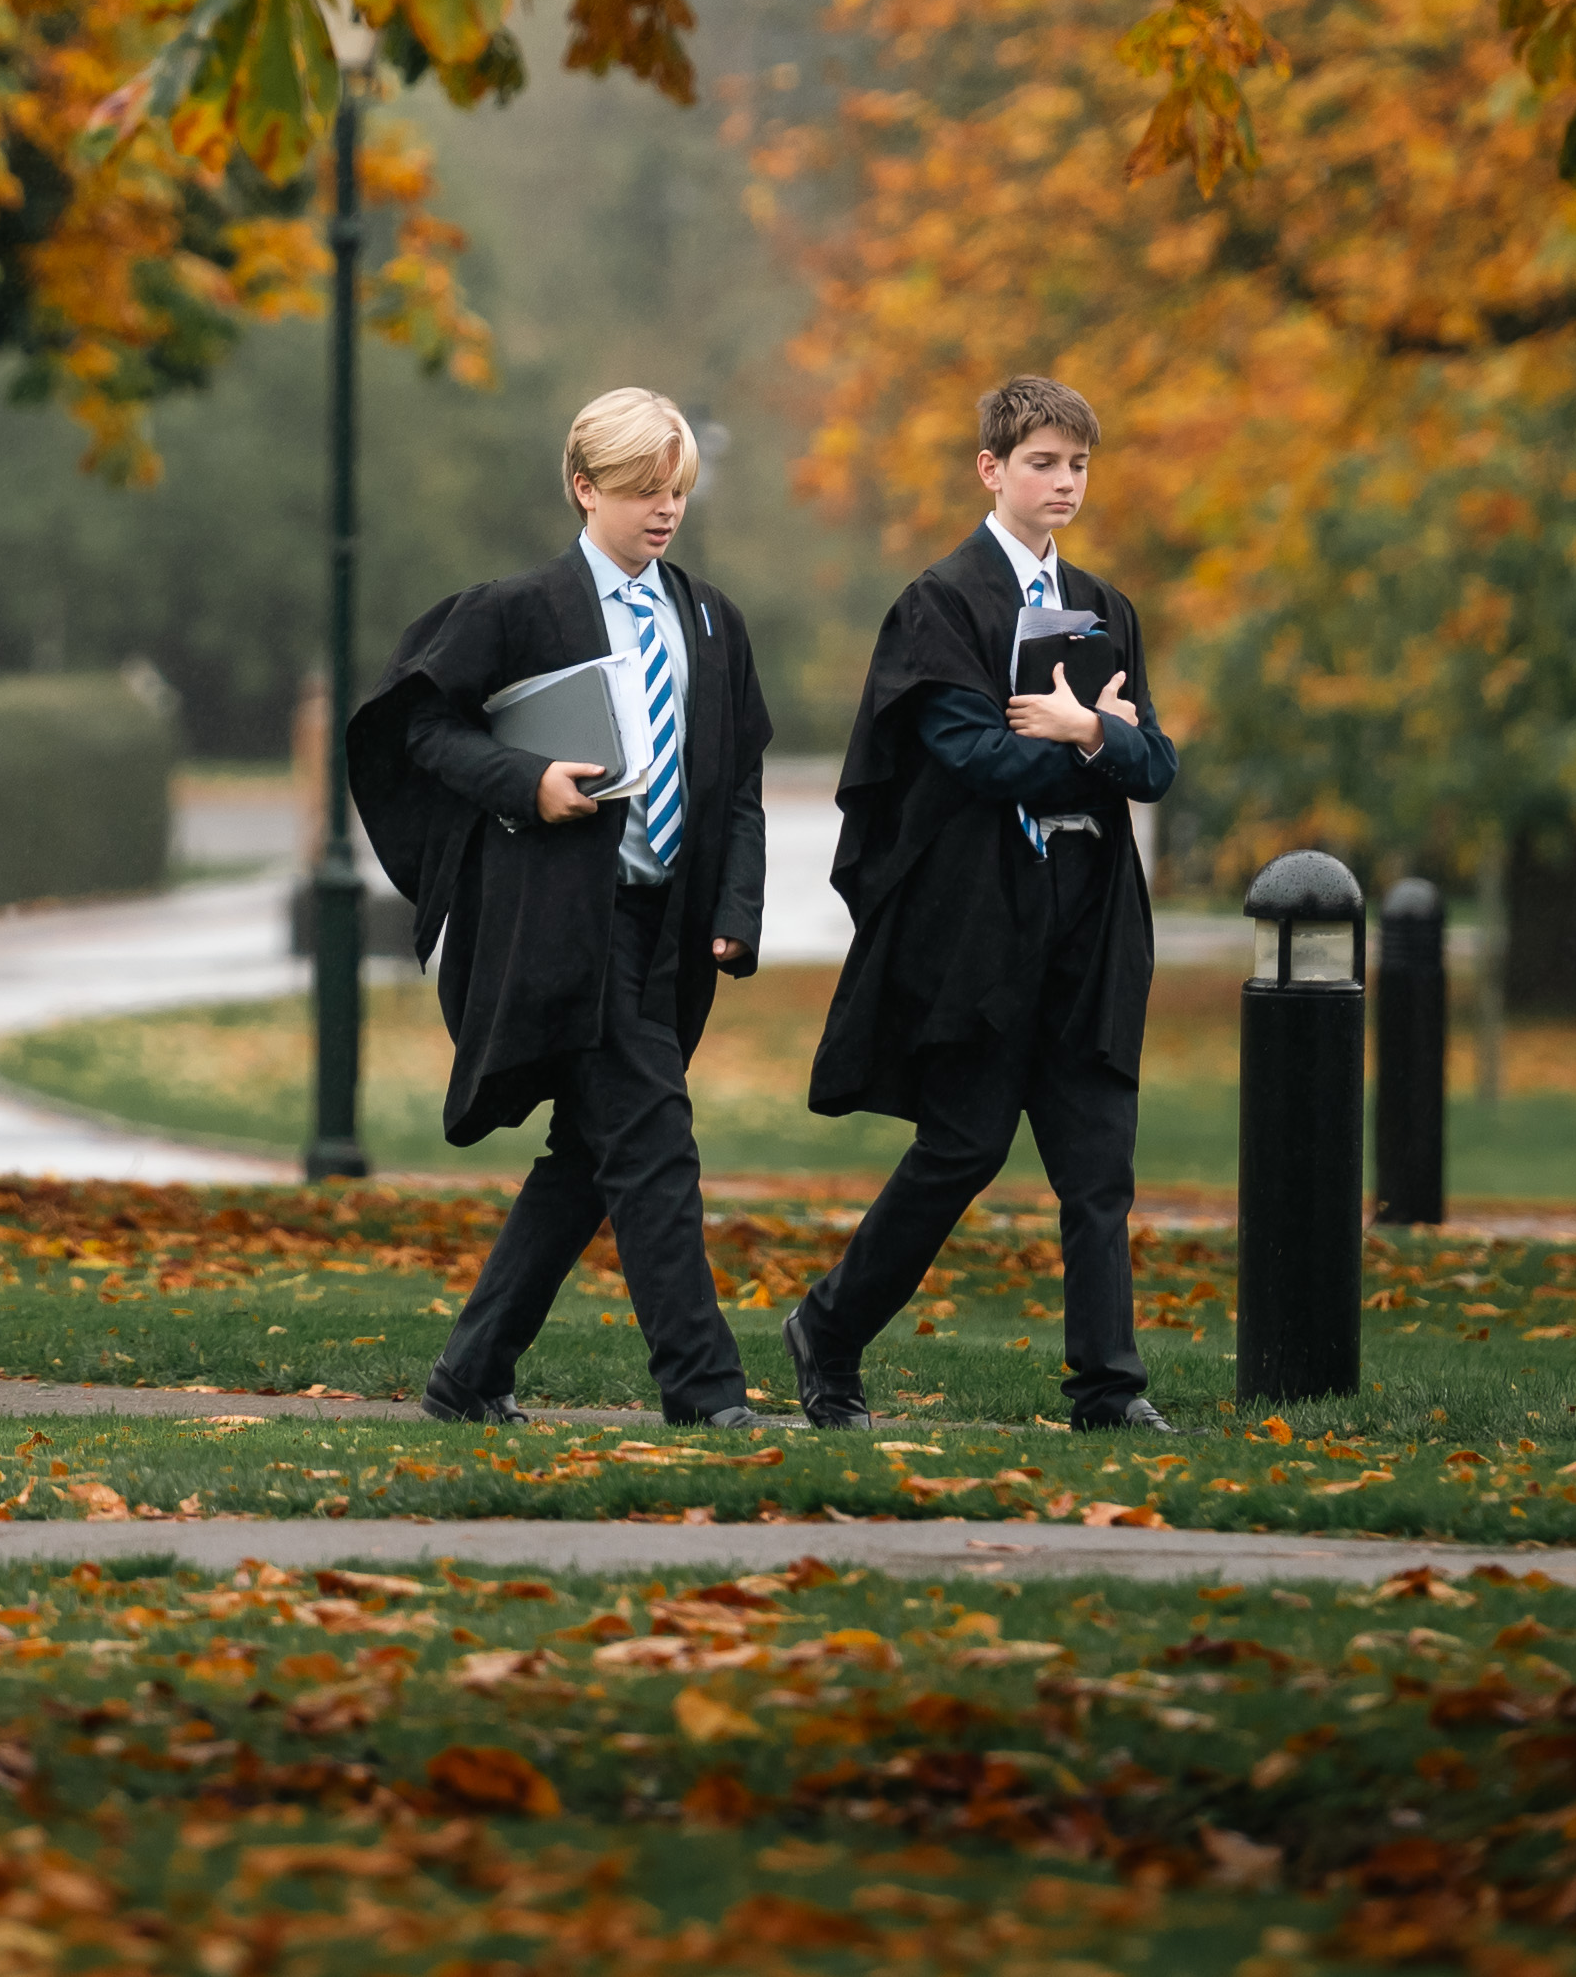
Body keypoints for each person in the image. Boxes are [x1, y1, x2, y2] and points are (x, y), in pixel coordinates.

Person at [344, 386, 776, 1427]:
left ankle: (468, 1376)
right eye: (640, 491)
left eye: (675, 490)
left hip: (669, 929)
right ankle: (706, 1394)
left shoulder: (711, 617)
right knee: (656, 1141)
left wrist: (737, 907)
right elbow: (421, 732)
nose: (663, 510)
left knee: (588, 1158)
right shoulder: (514, 610)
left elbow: (740, 779)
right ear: (583, 487)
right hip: (566, 929)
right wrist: (525, 782)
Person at [781, 375, 1178, 1428]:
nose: (1063, 482)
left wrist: (1086, 733)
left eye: (1078, 464)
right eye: (1042, 462)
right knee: (961, 1149)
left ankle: (1108, 1387)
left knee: (1099, 1164)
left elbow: (1157, 766)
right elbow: (970, 758)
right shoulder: (942, 602)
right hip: (984, 921)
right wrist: (1090, 742)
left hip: (1091, 923)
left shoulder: (1107, 607)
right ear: (991, 468)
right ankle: (826, 1328)